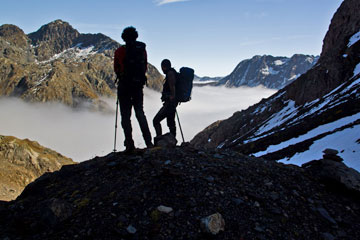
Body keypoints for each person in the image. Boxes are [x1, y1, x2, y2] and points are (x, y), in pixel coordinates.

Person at [114, 26, 153, 152]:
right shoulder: (142, 50)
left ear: (124, 38)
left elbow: (117, 69)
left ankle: (129, 144)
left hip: (124, 86)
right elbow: (145, 67)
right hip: (137, 86)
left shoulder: (120, 51)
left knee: (126, 116)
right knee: (140, 113)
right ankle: (148, 142)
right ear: (136, 36)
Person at [153, 59, 178, 139]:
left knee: (156, 121)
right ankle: (172, 141)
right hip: (172, 103)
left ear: (164, 67)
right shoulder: (172, 72)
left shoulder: (170, 74)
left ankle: (159, 139)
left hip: (170, 103)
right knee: (171, 123)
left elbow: (172, 85)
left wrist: (172, 96)